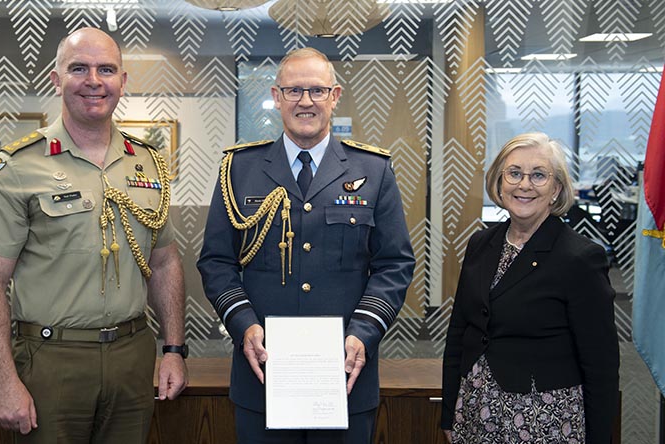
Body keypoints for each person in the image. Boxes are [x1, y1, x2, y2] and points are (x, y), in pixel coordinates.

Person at [0, 27, 187, 443]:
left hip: (131, 354)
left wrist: (174, 350)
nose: (93, 81)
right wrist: (2, 380)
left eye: (106, 69)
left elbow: (164, 261)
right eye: (78, 68)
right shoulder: (18, 166)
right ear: (56, 79)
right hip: (51, 359)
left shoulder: (148, 163)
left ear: (123, 81)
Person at [197, 47, 415, 443]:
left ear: (335, 96)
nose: (305, 102)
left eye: (316, 90)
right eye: (294, 91)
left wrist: (363, 331)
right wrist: (244, 325)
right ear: (276, 97)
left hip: (345, 375)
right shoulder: (240, 169)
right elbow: (216, 261)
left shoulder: (373, 170)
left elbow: (394, 264)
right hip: (262, 376)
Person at [441, 132, 619, 443]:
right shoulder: (481, 243)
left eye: (538, 175)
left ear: (556, 189)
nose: (524, 184)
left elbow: (601, 363)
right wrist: (448, 412)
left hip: (544, 420)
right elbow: (459, 332)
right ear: (499, 182)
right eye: (514, 173)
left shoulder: (580, 258)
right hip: (475, 412)